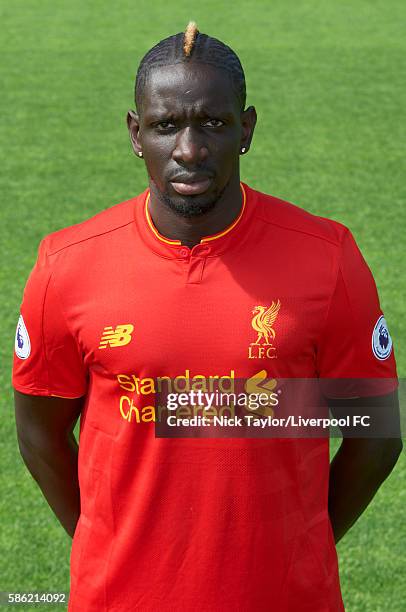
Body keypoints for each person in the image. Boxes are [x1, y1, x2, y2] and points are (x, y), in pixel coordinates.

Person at [12, 22, 401, 612]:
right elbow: (40, 436)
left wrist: (300, 544)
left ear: (245, 129)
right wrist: (112, 543)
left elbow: (375, 435)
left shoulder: (327, 258)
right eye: (166, 125)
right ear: (136, 133)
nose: (189, 150)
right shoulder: (67, 265)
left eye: (212, 124)